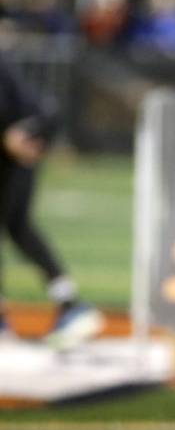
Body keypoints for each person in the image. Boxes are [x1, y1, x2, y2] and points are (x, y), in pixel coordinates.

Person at [0, 52, 104, 347]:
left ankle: (71, 306)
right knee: (19, 228)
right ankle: (69, 304)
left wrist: (25, 134)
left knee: (17, 226)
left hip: (15, 159)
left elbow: (45, 112)